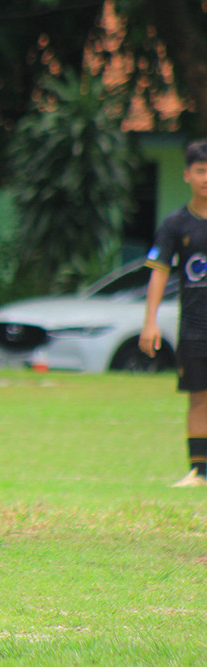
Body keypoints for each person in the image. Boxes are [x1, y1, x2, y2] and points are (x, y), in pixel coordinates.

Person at [140, 139, 207, 488]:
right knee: (198, 397)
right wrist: (149, 322)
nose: (206, 178)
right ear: (186, 175)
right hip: (194, 326)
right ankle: (200, 472)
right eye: (200, 170)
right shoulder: (175, 223)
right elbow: (159, 272)